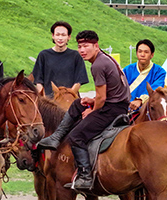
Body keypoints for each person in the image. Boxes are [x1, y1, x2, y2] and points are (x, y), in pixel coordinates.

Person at [36, 30, 131, 191]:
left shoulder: (98, 65)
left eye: (86, 46)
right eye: (80, 46)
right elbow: (109, 93)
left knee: (76, 136)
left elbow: (102, 99)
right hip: (115, 103)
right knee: (77, 104)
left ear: (96, 46)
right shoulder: (106, 59)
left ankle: (85, 175)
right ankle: (56, 137)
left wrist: (93, 110)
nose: (82, 50)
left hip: (112, 109)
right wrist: (91, 101)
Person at [31, 21, 89, 97]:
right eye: (57, 35)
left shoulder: (75, 56)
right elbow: (38, 81)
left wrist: (68, 96)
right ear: (53, 36)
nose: (60, 38)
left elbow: (79, 81)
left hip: (69, 101)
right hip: (49, 102)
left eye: (63, 35)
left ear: (69, 37)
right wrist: (45, 99)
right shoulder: (43, 55)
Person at [123, 39, 166, 112]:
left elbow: (155, 90)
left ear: (152, 55)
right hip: (125, 109)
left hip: (147, 111)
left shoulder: (159, 72)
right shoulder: (127, 70)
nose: (142, 54)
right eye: (140, 51)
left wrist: (141, 100)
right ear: (136, 53)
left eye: (146, 52)